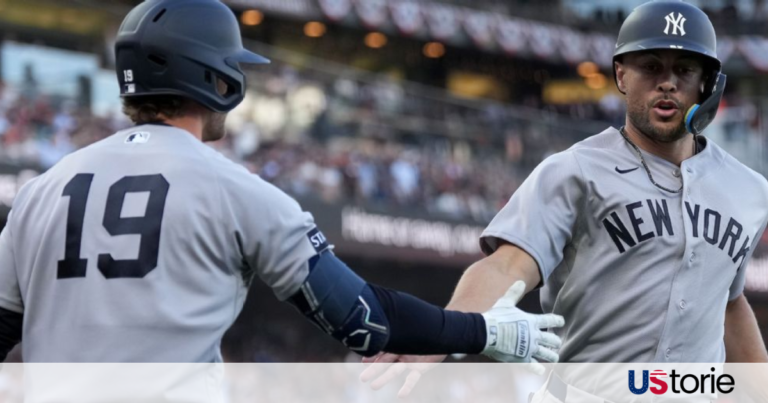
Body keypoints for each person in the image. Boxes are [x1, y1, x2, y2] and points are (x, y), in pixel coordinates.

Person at [0, 0, 565, 364]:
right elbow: (365, 321)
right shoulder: (239, 191)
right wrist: (480, 331)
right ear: (212, 77)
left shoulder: (41, 191)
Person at [362, 0, 768, 400]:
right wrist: (440, 330)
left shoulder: (749, 190)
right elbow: (506, 266)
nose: (667, 82)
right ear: (621, 75)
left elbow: (729, 303)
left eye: (684, 70)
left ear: (708, 83)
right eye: (651, 67)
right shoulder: (574, 170)